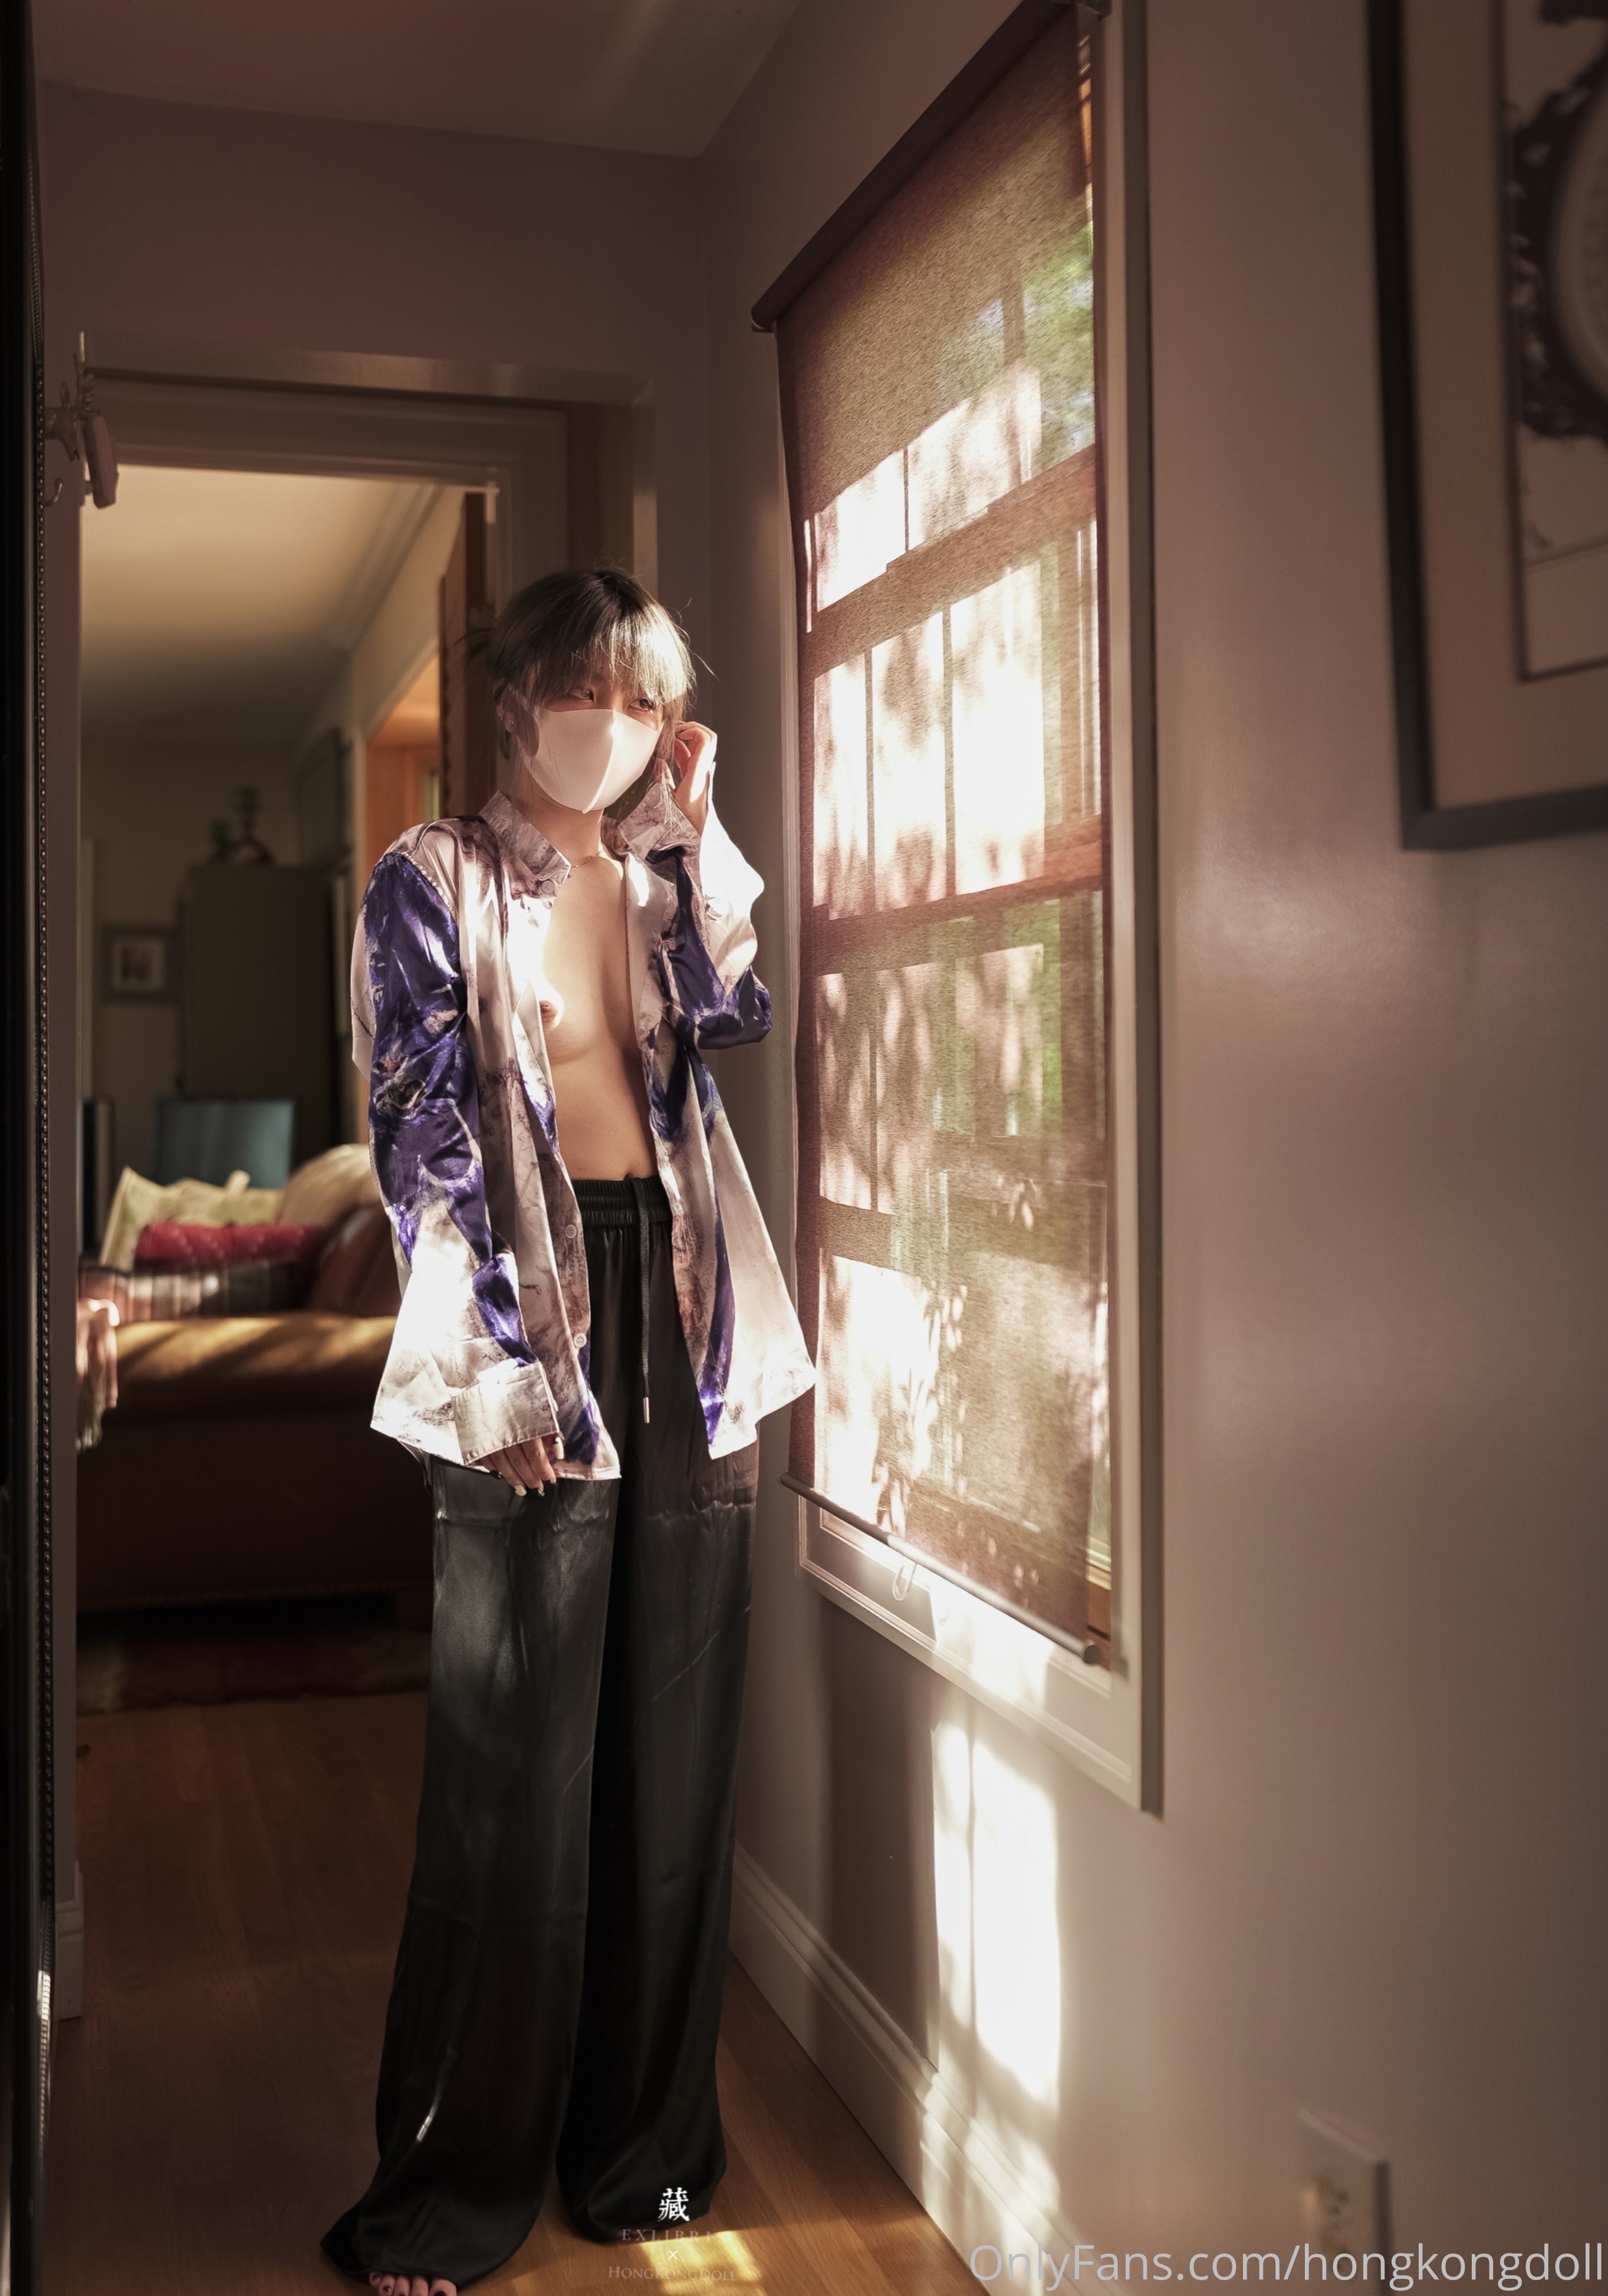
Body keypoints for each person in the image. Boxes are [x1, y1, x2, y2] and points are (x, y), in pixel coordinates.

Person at [321, 568, 815, 2296]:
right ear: (517, 695)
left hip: (684, 1303)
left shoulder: (661, 876)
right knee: (513, 1765)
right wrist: (504, 1370)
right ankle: (447, 2192)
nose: (611, 723)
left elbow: (737, 1023)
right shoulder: (430, 879)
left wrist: (698, 830)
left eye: (642, 697)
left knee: (673, 1760)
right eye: (585, 690)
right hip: (525, 1307)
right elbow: (418, 1136)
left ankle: (647, 2164)